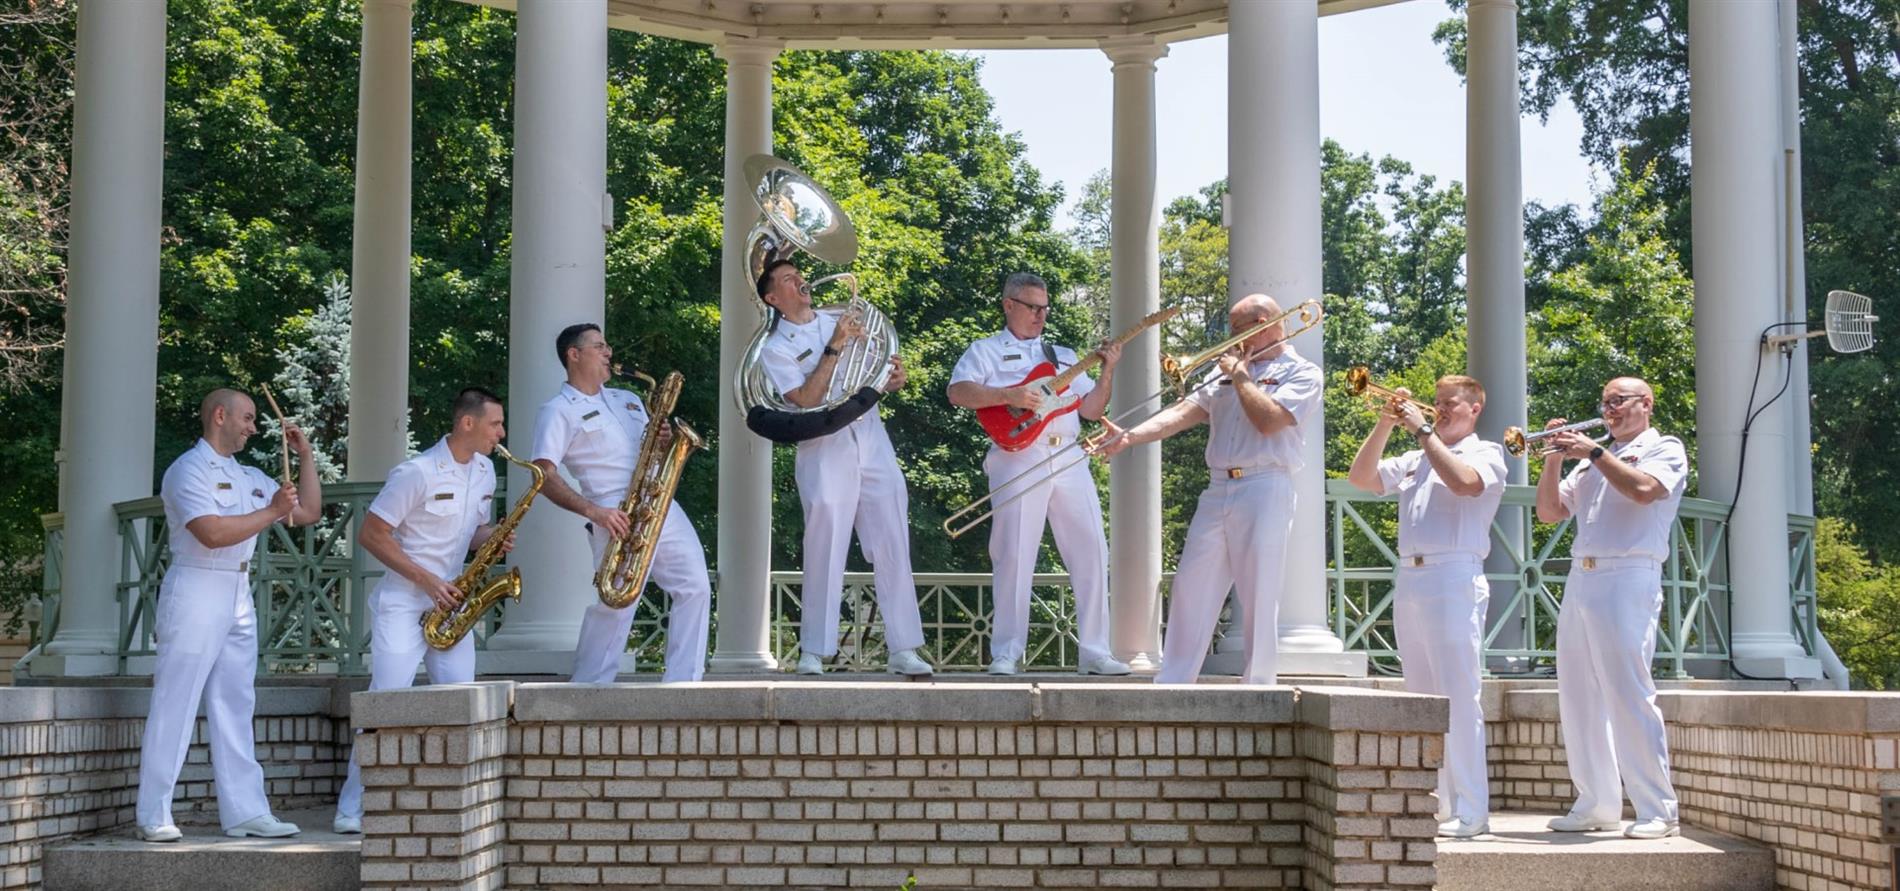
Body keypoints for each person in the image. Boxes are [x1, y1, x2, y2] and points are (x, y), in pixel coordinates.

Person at [1097, 293, 1320, 685]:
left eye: (1237, 329)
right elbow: (1182, 413)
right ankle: (1174, 681)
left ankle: (1259, 685)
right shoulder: (1226, 372)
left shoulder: (1301, 372)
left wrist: (1241, 377)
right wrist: (1130, 437)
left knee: (1259, 590)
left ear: (1266, 322)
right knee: (1190, 585)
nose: (1231, 337)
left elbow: (1269, 421)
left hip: (1266, 484)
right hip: (1219, 486)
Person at [136, 388, 320, 842]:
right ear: (220, 415)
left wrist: (306, 456)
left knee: (236, 704)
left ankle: (245, 812)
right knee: (176, 702)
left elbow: (309, 513)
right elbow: (211, 533)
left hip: (237, 592)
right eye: (248, 418)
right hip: (196, 585)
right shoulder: (187, 470)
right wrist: (271, 510)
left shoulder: (250, 475)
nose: (254, 427)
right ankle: (153, 813)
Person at [333, 388, 512, 834]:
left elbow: (471, 532)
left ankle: (462, 808)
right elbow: (372, 536)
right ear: (467, 423)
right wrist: (427, 580)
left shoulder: (487, 471)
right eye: (495, 423)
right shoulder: (415, 473)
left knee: (461, 704)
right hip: (406, 600)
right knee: (385, 701)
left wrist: (491, 538)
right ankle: (352, 808)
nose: (501, 433)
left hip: (453, 602)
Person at [947, 272, 1131, 676]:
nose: (1040, 315)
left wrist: (1108, 370)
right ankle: (1007, 652)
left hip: (1067, 454)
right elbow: (958, 392)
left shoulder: (1063, 353)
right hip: (1017, 454)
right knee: (1014, 552)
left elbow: (1091, 411)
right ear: (1008, 305)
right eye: (1032, 307)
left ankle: (1095, 651)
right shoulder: (987, 350)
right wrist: (1007, 395)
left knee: (1092, 550)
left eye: (1045, 308)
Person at [1346, 374, 1505, 839]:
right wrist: (1383, 423)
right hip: (1411, 576)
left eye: (1449, 403)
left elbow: (1465, 484)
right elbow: (1361, 478)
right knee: (1422, 697)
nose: (1439, 409)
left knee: (1459, 696)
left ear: (1474, 408)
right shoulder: (1417, 456)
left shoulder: (1485, 451)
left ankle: (1474, 811)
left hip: (1454, 574)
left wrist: (1422, 429)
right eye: (1436, 402)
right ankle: (1439, 804)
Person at [756, 259, 932, 676]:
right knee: (825, 544)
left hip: (871, 437)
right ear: (772, 298)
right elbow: (805, 399)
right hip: (823, 445)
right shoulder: (775, 348)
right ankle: (814, 650)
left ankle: (903, 648)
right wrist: (835, 346)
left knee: (892, 538)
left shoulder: (842, 316)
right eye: (786, 279)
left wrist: (893, 377)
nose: (799, 280)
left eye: (798, 273)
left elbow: (876, 372)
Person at [1534, 377, 1687, 840]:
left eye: (1618, 401)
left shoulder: (1665, 447)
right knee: (1578, 695)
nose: (1609, 410)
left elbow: (1644, 491)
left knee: (1628, 692)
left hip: (1629, 573)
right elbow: (1548, 512)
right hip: (1584, 576)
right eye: (1605, 402)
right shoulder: (1585, 466)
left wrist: (1595, 454)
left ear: (1647, 403)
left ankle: (1658, 808)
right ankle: (1596, 801)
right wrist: (1555, 458)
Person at [530, 323, 712, 683]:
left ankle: (683, 684)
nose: (608, 352)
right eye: (599, 346)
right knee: (618, 600)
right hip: (614, 509)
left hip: (659, 498)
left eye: (607, 345)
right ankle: (589, 687)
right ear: (574, 354)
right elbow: (542, 475)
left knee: (696, 586)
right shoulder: (558, 410)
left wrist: (662, 440)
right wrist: (594, 512)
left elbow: (653, 452)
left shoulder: (627, 398)